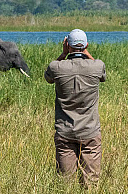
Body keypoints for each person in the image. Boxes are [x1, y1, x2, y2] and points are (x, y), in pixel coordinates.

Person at [44, 29, 106, 185]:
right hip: (89, 130)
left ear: (67, 45)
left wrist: (63, 53)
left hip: (65, 131)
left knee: (66, 182)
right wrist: (86, 51)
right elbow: (102, 76)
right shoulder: (97, 66)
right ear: (86, 45)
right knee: (91, 182)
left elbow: (48, 78)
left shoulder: (56, 67)